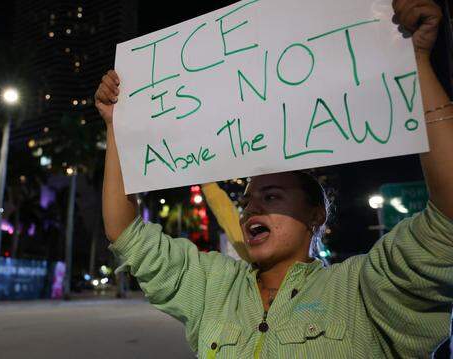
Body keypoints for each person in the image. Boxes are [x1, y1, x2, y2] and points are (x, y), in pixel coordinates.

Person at [95, 0, 453, 357]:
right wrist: (117, 126)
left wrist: (416, 60)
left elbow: (446, 223)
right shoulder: (213, 287)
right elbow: (126, 233)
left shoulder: (362, 290)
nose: (250, 210)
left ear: (317, 214)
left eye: (271, 197)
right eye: (247, 201)